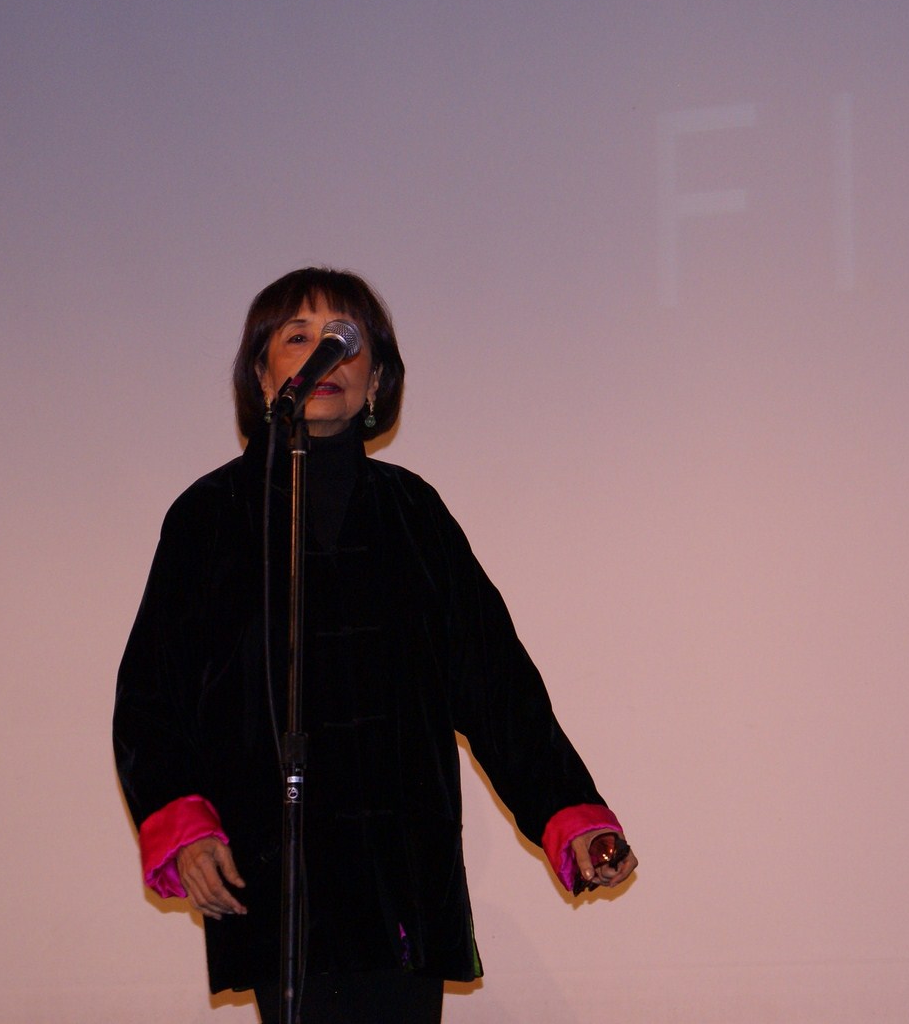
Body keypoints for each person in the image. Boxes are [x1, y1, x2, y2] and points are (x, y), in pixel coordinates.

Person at [113, 267, 636, 1023]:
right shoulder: (209, 516)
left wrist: (568, 810)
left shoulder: (412, 513)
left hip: (403, 884)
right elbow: (151, 697)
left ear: (377, 378)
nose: (323, 351)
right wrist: (185, 827)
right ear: (263, 376)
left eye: (344, 338)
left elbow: (495, 682)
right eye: (297, 336)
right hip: (278, 873)